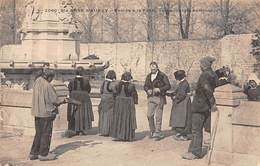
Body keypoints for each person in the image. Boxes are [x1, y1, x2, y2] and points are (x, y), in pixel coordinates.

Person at [182, 56, 218, 160]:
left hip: (199, 106)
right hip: (206, 106)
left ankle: (195, 152)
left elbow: (207, 89)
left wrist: (212, 102)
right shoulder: (213, 74)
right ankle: (192, 150)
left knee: (196, 130)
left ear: (203, 65)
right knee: (200, 129)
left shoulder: (204, 75)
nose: (200, 66)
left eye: (200, 64)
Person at [29, 68, 67, 161]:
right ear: (49, 77)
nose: (51, 80)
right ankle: (43, 154)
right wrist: (64, 100)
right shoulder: (48, 86)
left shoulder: (37, 81)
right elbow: (55, 100)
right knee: (46, 134)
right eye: (51, 78)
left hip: (37, 112)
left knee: (38, 133)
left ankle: (34, 153)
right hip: (46, 114)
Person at [144, 62, 171, 141]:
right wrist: (147, 90)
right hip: (151, 98)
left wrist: (160, 89)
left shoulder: (163, 75)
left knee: (158, 117)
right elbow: (145, 85)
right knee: (149, 115)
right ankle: (152, 130)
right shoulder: (148, 76)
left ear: (157, 68)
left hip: (160, 97)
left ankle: (158, 132)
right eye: (151, 69)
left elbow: (168, 86)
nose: (152, 70)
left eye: (154, 68)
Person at [66, 67, 94, 136]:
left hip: (74, 97)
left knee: (75, 113)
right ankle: (82, 129)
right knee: (83, 113)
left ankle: (75, 129)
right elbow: (88, 90)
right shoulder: (86, 81)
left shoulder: (71, 81)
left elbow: (69, 89)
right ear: (83, 73)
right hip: (84, 97)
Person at [111, 72, 138, 141]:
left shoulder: (117, 85)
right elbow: (134, 95)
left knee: (119, 118)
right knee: (127, 118)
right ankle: (127, 135)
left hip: (119, 103)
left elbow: (114, 94)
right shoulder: (131, 86)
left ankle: (119, 135)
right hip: (128, 103)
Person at [166, 70, 192, 141]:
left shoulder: (184, 83)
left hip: (183, 103)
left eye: (176, 77)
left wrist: (175, 98)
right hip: (182, 102)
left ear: (179, 77)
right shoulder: (182, 83)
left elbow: (182, 94)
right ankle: (181, 133)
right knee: (181, 118)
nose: (176, 79)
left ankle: (184, 135)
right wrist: (169, 94)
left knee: (183, 118)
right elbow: (177, 92)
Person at [98, 70, 117, 136]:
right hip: (110, 99)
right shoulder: (112, 84)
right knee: (109, 115)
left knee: (103, 114)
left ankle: (102, 130)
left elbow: (101, 91)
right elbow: (115, 92)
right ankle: (108, 131)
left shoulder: (103, 83)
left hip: (103, 99)